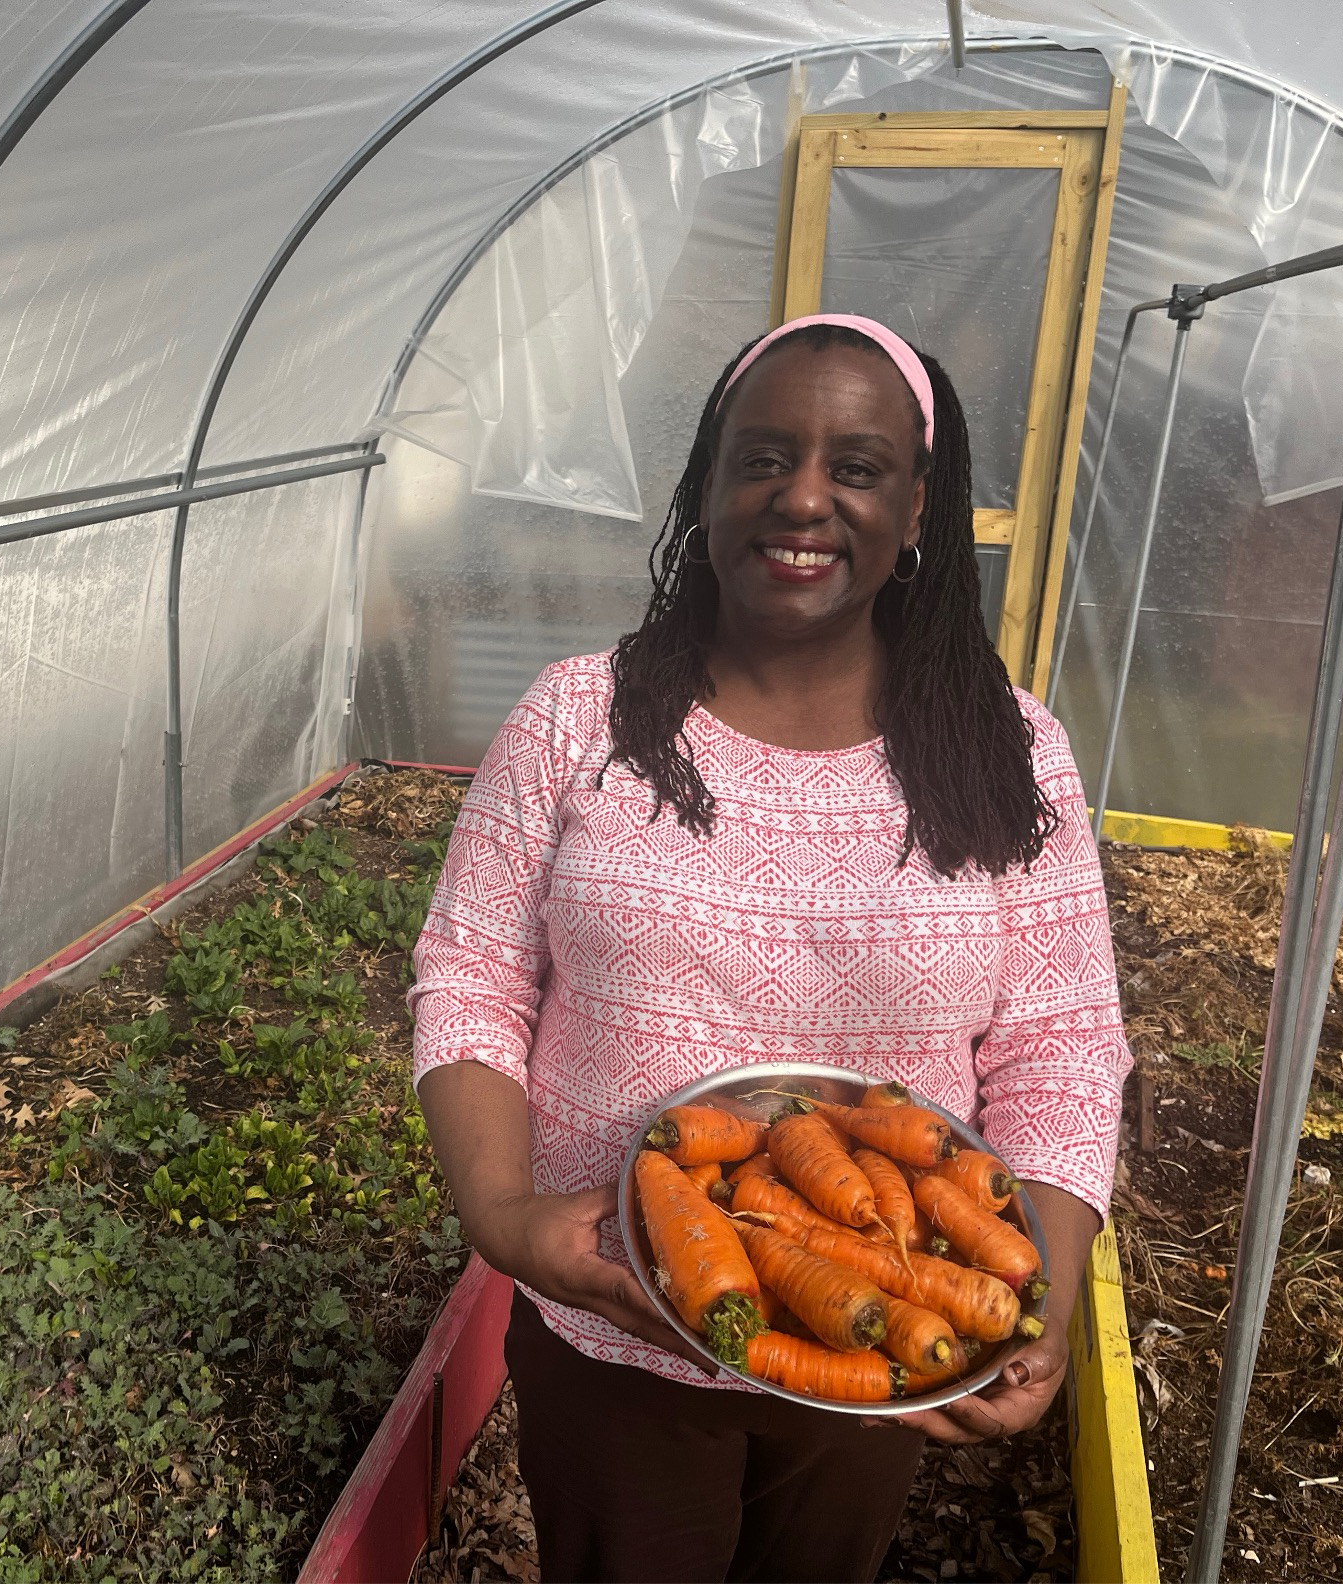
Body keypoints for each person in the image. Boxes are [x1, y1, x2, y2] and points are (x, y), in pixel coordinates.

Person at [409, 313, 1131, 1583]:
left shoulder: (1005, 752)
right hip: (614, 1332)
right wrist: (506, 1218)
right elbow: (470, 979)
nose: (802, 497)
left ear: (919, 512)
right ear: (706, 489)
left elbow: (1063, 1047)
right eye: (762, 459)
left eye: (856, 467)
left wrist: (1040, 1294)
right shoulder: (580, 718)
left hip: (888, 1328)